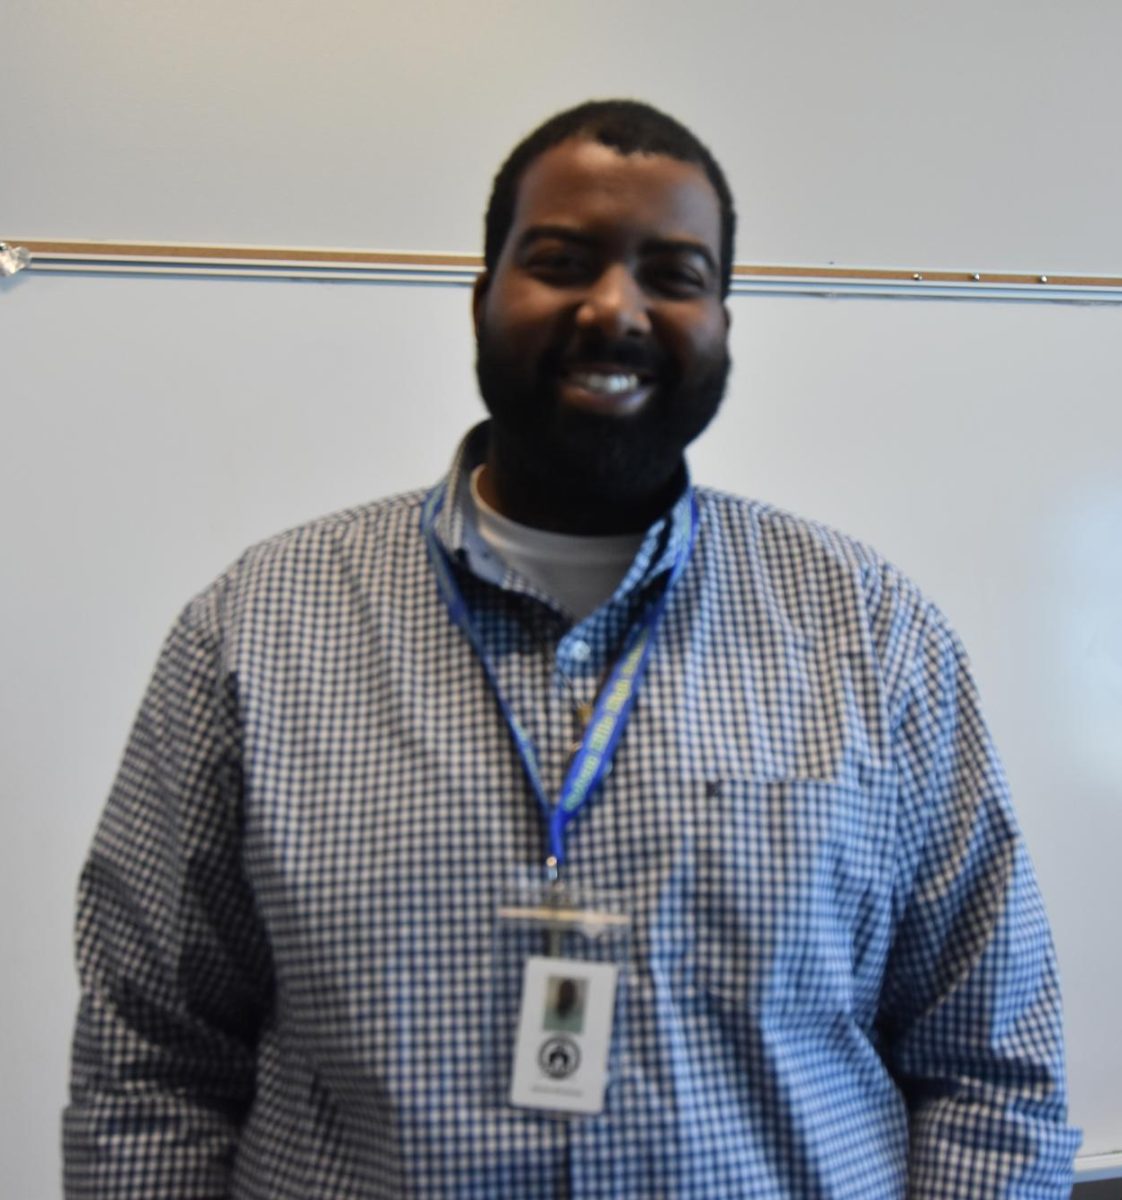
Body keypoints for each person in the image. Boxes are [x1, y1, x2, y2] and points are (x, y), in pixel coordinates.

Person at [64, 99, 1080, 1197]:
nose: (615, 309)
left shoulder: (874, 637)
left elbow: (994, 1071)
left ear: (724, 322)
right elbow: (150, 1069)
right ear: (481, 298)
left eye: (675, 275)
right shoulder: (253, 632)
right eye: (561, 260)